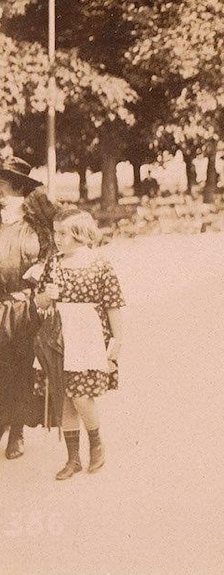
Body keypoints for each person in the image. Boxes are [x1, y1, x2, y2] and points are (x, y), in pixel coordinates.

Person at [34, 208, 125, 479]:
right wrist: (46, 297)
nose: (57, 238)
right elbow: (38, 302)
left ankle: (96, 444)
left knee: (81, 396)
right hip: (59, 337)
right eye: (55, 232)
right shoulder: (54, 264)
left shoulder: (99, 264)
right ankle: (73, 458)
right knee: (64, 396)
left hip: (88, 339)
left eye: (63, 233)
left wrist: (116, 343)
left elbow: (113, 304)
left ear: (81, 234)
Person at [0, 157, 56, 460]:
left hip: (26, 308)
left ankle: (17, 430)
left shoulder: (38, 227)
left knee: (22, 369)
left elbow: (53, 255)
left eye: (4, 190)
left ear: (20, 192)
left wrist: (41, 271)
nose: (0, 196)